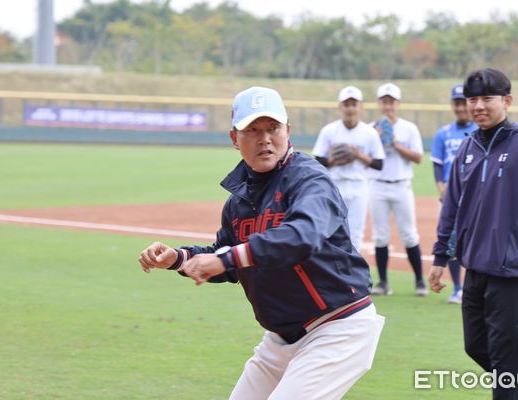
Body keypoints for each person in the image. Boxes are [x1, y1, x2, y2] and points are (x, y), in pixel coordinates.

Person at [137, 86, 385, 400]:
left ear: (287, 131)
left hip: (338, 327)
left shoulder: (310, 180)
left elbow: (301, 235)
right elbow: (226, 256)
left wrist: (226, 259)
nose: (264, 138)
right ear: (234, 139)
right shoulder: (239, 200)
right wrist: (178, 258)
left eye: (272, 128)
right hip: (281, 338)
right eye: (252, 130)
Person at [428, 69, 518, 400]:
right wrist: (439, 257)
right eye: (472, 99)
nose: (477, 106)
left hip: (514, 271)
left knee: (506, 372)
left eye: (486, 99)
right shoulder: (467, 148)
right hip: (475, 269)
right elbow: (452, 207)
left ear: (507, 101)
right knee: (476, 347)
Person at [369, 83, 426, 296]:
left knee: (409, 234)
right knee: (380, 236)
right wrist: (375, 137)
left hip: (402, 185)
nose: (388, 105)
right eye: (384, 101)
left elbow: (418, 157)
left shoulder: (408, 128)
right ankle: (383, 283)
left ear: (398, 103)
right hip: (378, 185)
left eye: (391, 101)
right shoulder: (371, 127)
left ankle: (420, 281)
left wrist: (395, 143)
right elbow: (369, 157)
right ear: (379, 104)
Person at [312, 86, 385, 251]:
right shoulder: (329, 130)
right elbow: (318, 160)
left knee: (356, 232)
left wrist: (358, 154)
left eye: (354, 104)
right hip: (334, 185)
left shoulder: (369, 133)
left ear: (360, 106)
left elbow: (379, 164)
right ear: (340, 106)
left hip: (359, 186)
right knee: (329, 229)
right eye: (346, 104)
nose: (350, 108)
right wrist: (334, 161)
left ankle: (352, 272)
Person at [429, 84, 477, 304]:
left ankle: (475, 285)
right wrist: (441, 186)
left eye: (463, 102)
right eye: (456, 103)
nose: (460, 107)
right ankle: (458, 288)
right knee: (452, 240)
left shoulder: (479, 130)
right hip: (450, 194)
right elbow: (437, 164)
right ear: (452, 105)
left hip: (476, 194)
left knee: (477, 238)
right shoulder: (443, 133)